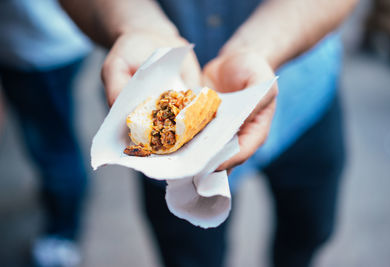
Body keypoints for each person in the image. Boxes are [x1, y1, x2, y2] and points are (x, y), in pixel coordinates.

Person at [61, 0, 357, 266]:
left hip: (302, 97)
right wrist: (134, 25)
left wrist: (261, 48)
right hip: (155, 96)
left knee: (309, 232)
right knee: (187, 257)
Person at [0, 1, 92, 266]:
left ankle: (63, 233)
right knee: (56, 135)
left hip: (36, 48)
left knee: (54, 147)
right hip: (60, 39)